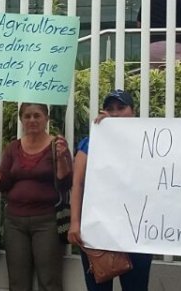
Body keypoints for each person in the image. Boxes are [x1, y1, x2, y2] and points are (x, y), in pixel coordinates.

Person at [0, 103, 71, 291]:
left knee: (49, 281)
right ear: (21, 120)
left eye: (37, 116)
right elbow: (2, 183)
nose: (32, 120)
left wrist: (63, 158)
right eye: (27, 116)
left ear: (46, 118)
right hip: (15, 222)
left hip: (47, 221)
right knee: (17, 282)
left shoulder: (57, 146)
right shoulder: (13, 148)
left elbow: (65, 185)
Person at [67, 90, 152, 291]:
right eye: (109, 109)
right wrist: (75, 223)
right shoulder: (90, 143)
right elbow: (77, 183)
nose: (115, 113)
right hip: (98, 230)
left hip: (136, 232)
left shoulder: (146, 142)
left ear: (133, 112)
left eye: (121, 108)